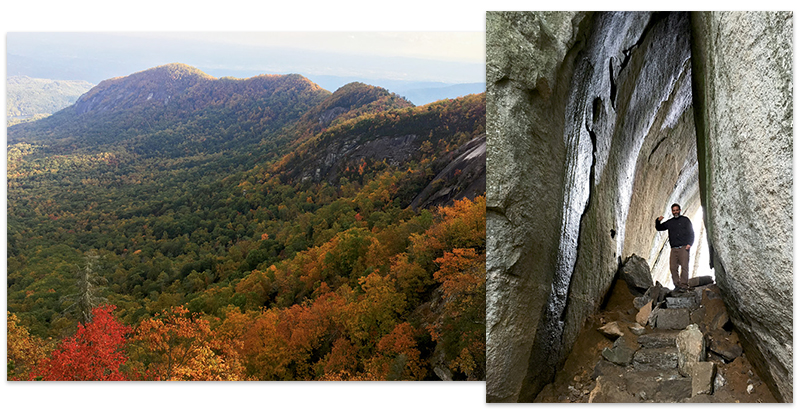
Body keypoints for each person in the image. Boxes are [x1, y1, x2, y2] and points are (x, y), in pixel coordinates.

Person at [655, 203, 694, 292]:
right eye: (674, 210)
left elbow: (691, 232)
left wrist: (690, 243)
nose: (675, 212)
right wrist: (657, 221)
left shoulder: (685, 220)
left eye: (677, 210)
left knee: (684, 267)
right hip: (674, 249)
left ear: (680, 210)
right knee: (673, 267)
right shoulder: (670, 222)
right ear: (672, 212)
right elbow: (659, 228)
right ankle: (677, 285)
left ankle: (684, 285)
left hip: (684, 247)